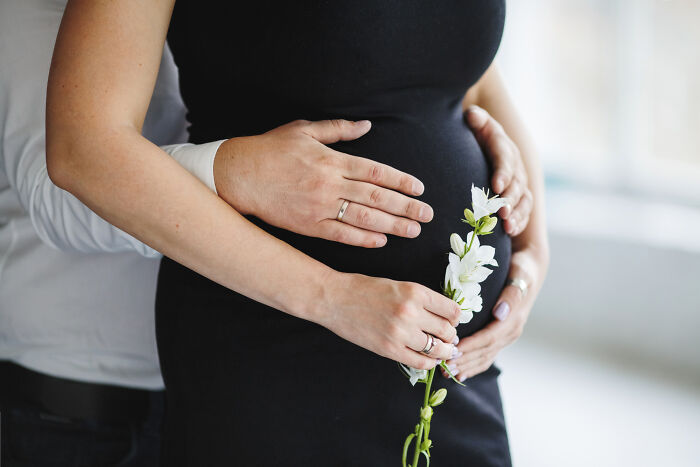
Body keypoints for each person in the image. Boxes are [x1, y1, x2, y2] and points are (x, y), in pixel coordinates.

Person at [46, 1, 549, 465]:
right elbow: (83, 144)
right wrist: (334, 297)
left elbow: (470, 79)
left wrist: (533, 251)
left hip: (453, 366)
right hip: (275, 344)